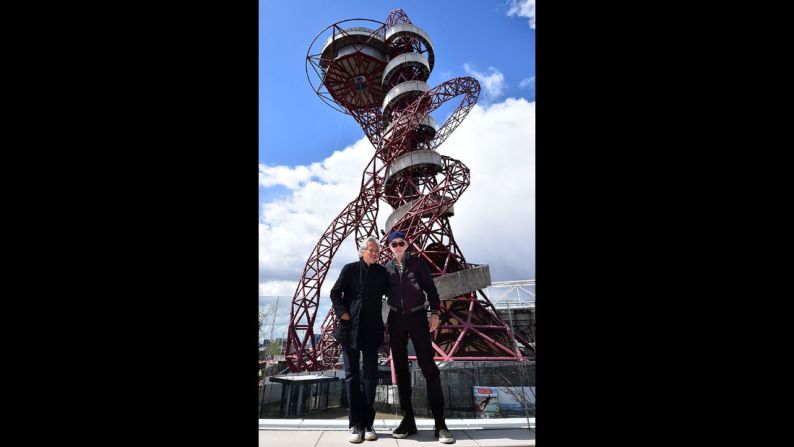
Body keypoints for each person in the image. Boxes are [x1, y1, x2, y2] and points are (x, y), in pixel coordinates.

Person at [384, 231, 454, 444]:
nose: (397, 246)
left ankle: (440, 423)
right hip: (396, 319)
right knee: (402, 370)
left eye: (400, 243)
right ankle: (408, 420)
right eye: (393, 244)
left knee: (428, 367)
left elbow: (432, 291)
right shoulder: (386, 268)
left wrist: (435, 313)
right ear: (389, 247)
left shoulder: (418, 264)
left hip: (416, 317)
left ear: (406, 245)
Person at [330, 236, 391, 443]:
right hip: (350, 328)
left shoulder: (382, 272)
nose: (375, 253)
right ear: (362, 251)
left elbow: (393, 292)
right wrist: (343, 314)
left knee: (371, 376)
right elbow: (335, 293)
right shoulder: (349, 269)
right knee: (351, 375)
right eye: (371, 250)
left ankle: (368, 422)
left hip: (372, 329)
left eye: (377, 251)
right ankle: (355, 424)